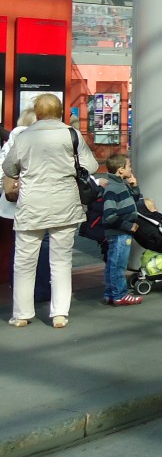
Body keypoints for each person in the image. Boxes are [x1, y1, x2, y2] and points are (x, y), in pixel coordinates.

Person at [2, 93, 96, 329]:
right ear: (60, 111)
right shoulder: (71, 134)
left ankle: (22, 314)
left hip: (32, 205)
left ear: (37, 112)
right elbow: (91, 166)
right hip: (65, 204)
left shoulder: (24, 136)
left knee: (24, 261)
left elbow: (9, 168)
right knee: (61, 261)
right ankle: (60, 313)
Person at [1, 108, 52, 304]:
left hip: (14, 206)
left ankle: (19, 289)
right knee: (44, 245)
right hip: (39, 203)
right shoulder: (39, 141)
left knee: (20, 248)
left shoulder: (12, 141)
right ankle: (41, 289)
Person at [97, 153, 152, 306]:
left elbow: (132, 201)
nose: (131, 169)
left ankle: (110, 293)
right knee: (118, 265)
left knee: (113, 264)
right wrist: (129, 226)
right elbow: (109, 216)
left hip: (120, 233)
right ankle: (120, 295)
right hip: (119, 233)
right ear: (120, 170)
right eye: (129, 166)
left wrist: (134, 187)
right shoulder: (113, 189)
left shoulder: (121, 185)